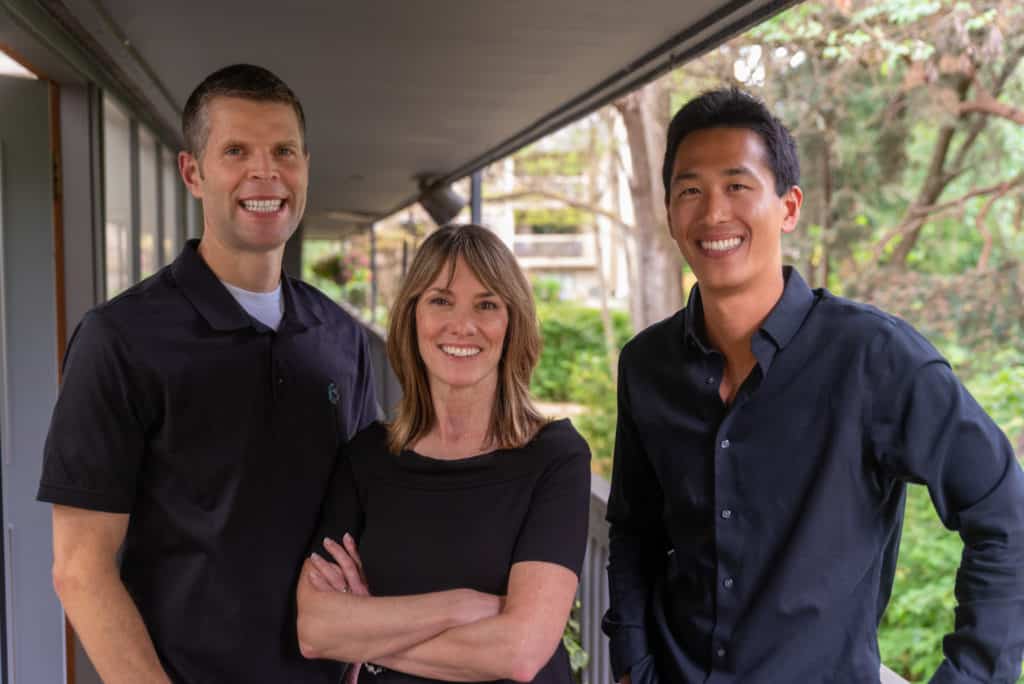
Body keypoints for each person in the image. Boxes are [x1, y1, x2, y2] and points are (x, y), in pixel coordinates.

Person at [602, 87, 1024, 683]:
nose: (714, 212)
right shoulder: (647, 366)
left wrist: (973, 676)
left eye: (738, 186)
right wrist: (633, 663)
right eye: (690, 190)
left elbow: (1005, 511)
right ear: (670, 213)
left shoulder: (874, 357)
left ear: (789, 207)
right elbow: (634, 530)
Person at [37, 64, 377, 683]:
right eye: (236, 151)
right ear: (192, 172)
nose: (265, 172)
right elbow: (80, 567)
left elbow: (358, 523)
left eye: (284, 152)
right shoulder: (121, 338)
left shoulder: (341, 338)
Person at [295, 223, 591, 683]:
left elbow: (520, 652)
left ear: (511, 322)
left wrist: (367, 631)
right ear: (412, 316)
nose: (462, 324)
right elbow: (315, 629)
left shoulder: (554, 458)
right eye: (441, 300)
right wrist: (459, 606)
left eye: (487, 304)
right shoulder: (366, 458)